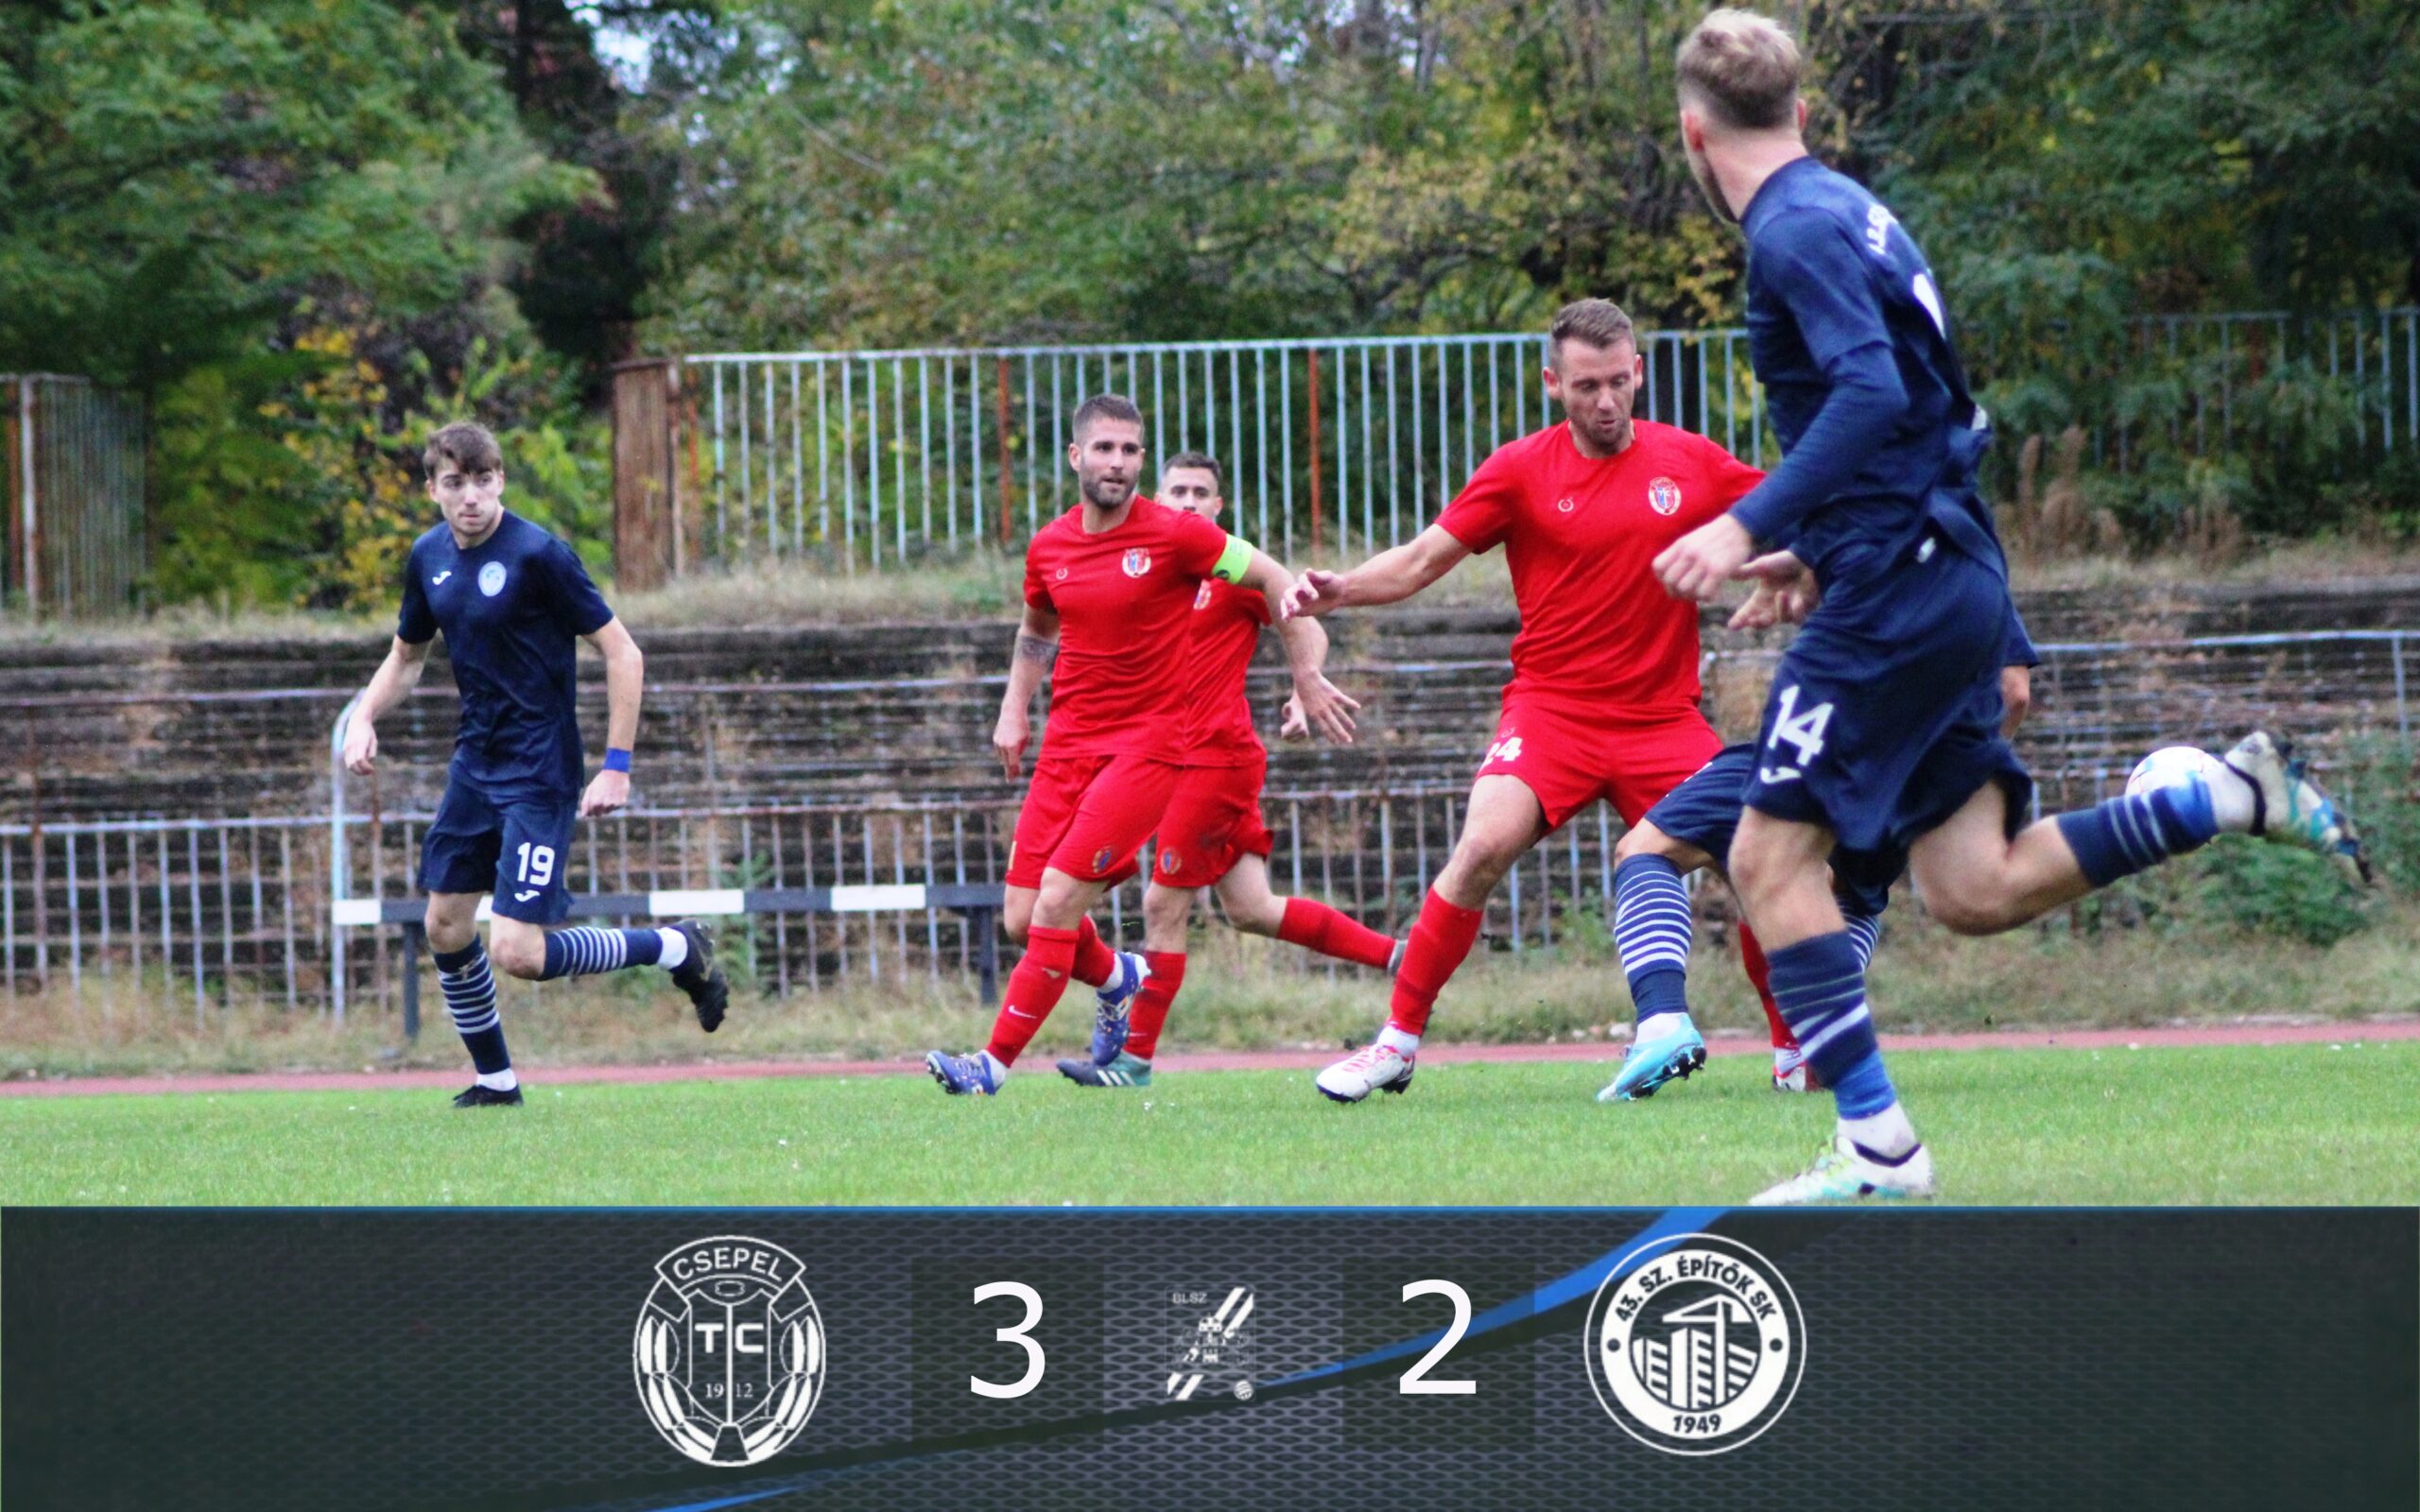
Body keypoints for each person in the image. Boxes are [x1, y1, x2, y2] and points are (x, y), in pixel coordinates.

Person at [1653, 9, 2367, 1201]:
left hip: (1901, 586)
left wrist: (1747, 523)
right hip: (1937, 569)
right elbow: (1927, 423)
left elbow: (1872, 397)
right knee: (1972, 884)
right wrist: (1817, 549)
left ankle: (1878, 1146)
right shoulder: (1854, 211)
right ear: (1803, 112)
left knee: (1766, 855)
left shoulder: (1789, 230)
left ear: (1691, 132)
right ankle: (2217, 795)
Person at [1282, 298, 1789, 1105]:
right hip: (1552, 713)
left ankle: (1795, 1054)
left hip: (1663, 719)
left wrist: (1806, 565)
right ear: (1553, 384)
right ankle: (1395, 1044)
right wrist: (1342, 590)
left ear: (1639, 373)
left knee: (1757, 862)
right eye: (1587, 386)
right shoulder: (1520, 470)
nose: (1606, 401)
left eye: (1618, 381)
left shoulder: (1689, 461)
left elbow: (1786, 512)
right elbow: (1419, 560)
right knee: (1481, 847)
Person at [927, 397, 1330, 1095]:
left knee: (1057, 902)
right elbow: (1036, 630)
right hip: (1066, 748)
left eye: (1130, 450)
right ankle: (1119, 978)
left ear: (1142, 460)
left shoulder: (1178, 535)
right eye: (1104, 448)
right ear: (1076, 456)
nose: (1117, 462)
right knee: (1021, 918)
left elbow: (1274, 579)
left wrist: (1307, 677)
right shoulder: (1049, 546)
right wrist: (1013, 710)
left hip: (1147, 749)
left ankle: (989, 1066)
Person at [341, 421, 728, 1108]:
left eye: (483, 480)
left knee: (517, 952)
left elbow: (624, 653)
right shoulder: (427, 557)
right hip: (474, 767)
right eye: (455, 483)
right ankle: (497, 1083)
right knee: (444, 926)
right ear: (433, 490)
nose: (471, 496)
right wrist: (363, 717)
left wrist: (616, 765)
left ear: (500, 481)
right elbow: (406, 657)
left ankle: (672, 948)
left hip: (540, 772)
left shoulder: (540, 555)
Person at [1055, 451, 1399, 1091]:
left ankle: (1133, 1062)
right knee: (1251, 908)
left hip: (1212, 758)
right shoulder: (1141, 568)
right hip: (1165, 760)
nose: (1188, 501)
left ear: (1218, 506)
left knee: (1162, 904)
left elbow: (1303, 620)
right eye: (1178, 491)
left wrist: (1304, 684)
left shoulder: (1234, 571)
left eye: (1200, 492)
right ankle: (1402, 960)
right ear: (1157, 499)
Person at [1604, 595, 2038, 1098]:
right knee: (1839, 888)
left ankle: (1663, 1021)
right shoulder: (1978, 573)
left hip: (1812, 747)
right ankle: (1817, 1042)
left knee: (1647, 850)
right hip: (1907, 787)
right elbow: (2013, 693)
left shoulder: (1872, 551)